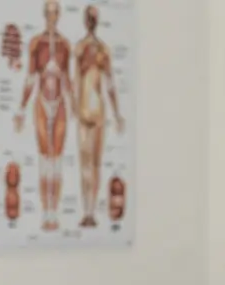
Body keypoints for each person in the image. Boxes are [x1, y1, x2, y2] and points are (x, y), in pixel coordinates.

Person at [15, 0, 76, 232]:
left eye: (55, 13)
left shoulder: (65, 45)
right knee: (44, 159)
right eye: (48, 13)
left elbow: (67, 79)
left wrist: (74, 105)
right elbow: (31, 78)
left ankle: (55, 211)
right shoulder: (36, 44)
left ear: (59, 15)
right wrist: (21, 109)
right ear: (44, 15)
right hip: (41, 103)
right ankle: (45, 212)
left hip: (59, 104)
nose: (52, 17)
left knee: (57, 159)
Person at [73, 4, 125, 228]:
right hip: (87, 109)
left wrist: (117, 113)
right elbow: (76, 80)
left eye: (93, 18)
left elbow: (111, 84)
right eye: (90, 18)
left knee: (93, 164)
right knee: (88, 164)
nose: (91, 22)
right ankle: (87, 211)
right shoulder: (81, 49)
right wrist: (75, 107)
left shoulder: (101, 50)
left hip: (96, 111)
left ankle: (90, 212)